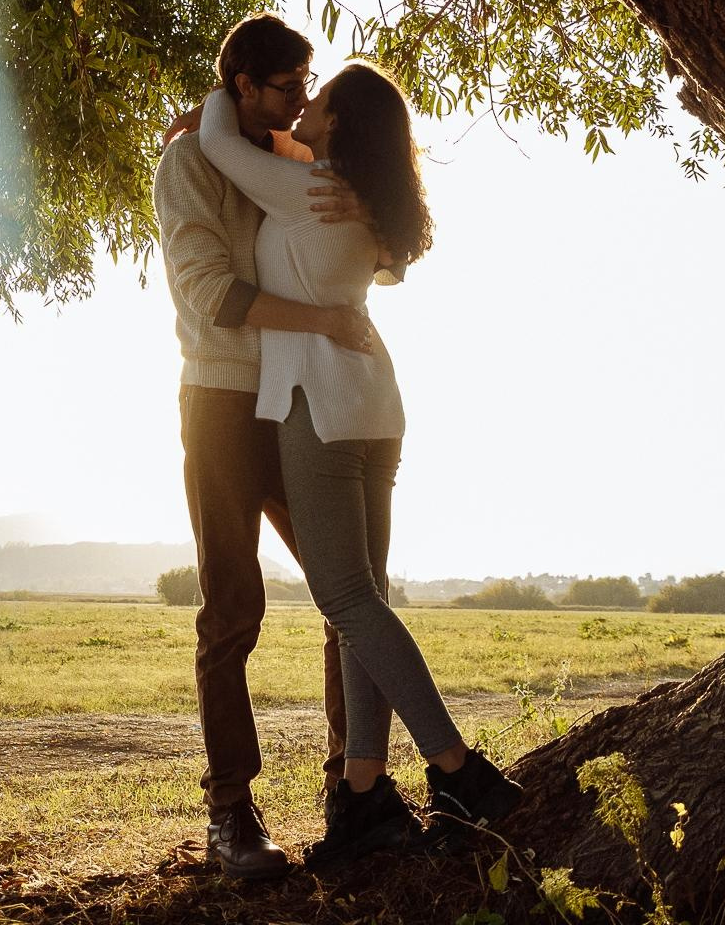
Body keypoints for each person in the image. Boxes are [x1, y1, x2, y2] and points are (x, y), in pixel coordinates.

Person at [194, 59, 526, 870]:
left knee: (346, 600)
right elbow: (391, 263)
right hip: (377, 409)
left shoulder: (304, 188)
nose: (303, 104)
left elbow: (216, 142)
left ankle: (457, 771)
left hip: (323, 407)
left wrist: (214, 92)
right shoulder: (362, 200)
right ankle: (366, 798)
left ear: (338, 122)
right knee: (362, 603)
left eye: (319, 96)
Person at [154, 14, 380, 880]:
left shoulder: (282, 153)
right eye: (286, 87)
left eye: (304, 86)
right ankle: (230, 813)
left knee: (347, 595)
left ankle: (352, 790)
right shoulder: (184, 165)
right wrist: (323, 318)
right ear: (242, 86)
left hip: (294, 394)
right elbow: (213, 292)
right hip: (218, 399)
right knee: (232, 608)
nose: (299, 102)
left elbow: (360, 235)